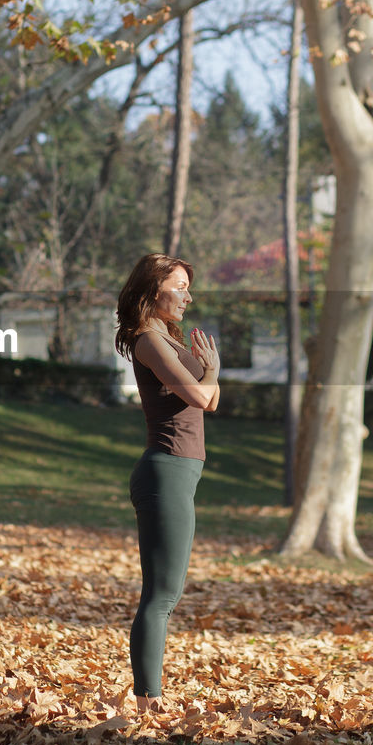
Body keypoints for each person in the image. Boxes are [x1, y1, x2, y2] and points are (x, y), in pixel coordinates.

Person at [114, 253, 220, 716]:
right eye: (179, 286)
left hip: (180, 472)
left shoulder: (168, 340)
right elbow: (202, 394)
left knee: (167, 594)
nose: (188, 296)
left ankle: (148, 697)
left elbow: (210, 403)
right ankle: (148, 702)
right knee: (161, 595)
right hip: (166, 471)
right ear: (154, 288)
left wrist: (209, 376)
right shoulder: (148, 341)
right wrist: (211, 370)